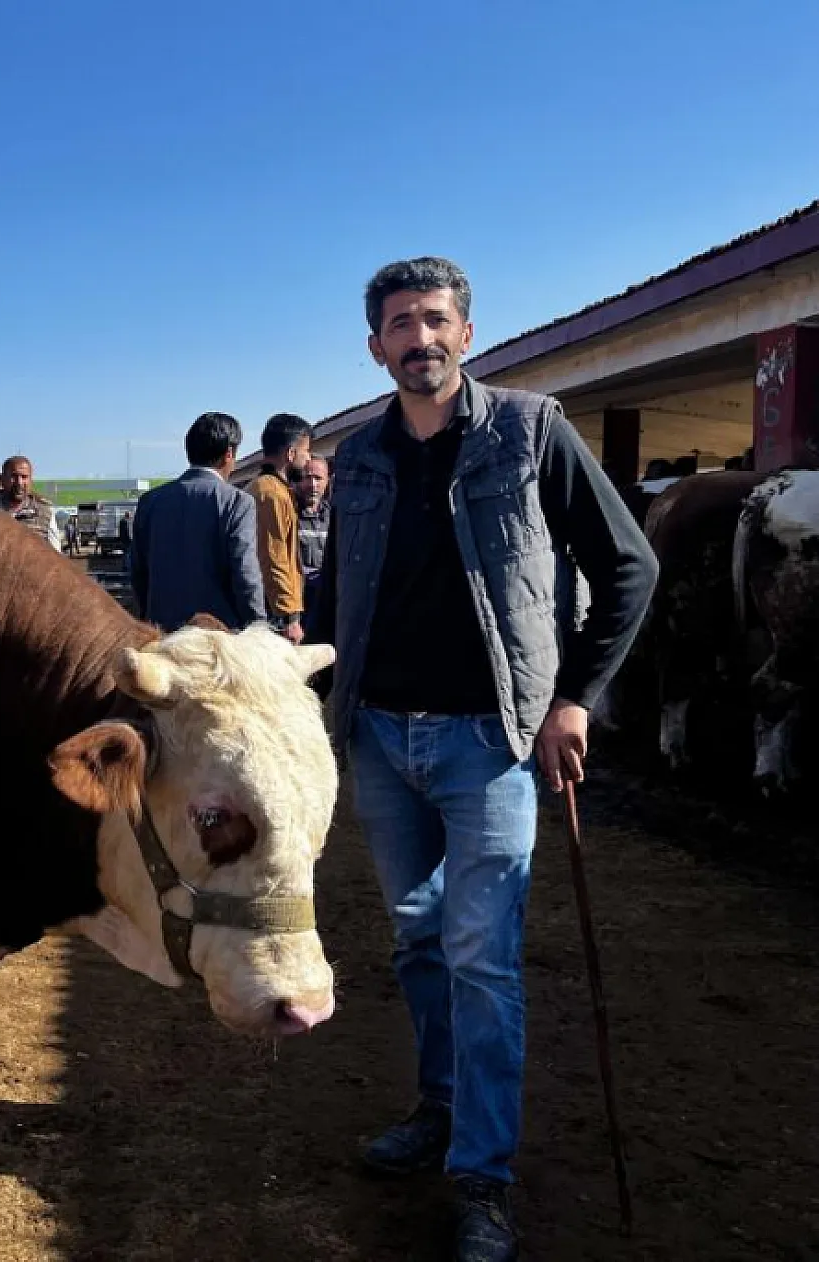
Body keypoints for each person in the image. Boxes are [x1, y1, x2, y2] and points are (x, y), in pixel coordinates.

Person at [312, 257, 657, 1261]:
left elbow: (626, 566)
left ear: (464, 332)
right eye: (396, 324)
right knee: (417, 940)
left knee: (479, 953)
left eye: (432, 319)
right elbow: (340, 593)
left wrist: (572, 698)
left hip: (490, 740)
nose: (416, 337)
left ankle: (480, 1174)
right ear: (373, 345)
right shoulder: (361, 456)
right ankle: (438, 1105)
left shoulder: (530, 430)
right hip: (380, 735)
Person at [127, 411, 266, 632]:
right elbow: (245, 574)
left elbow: (137, 572)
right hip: (218, 640)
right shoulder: (237, 503)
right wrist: (258, 628)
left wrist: (145, 617)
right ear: (228, 454)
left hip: (162, 636)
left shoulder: (150, 502)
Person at [250, 413, 313, 642]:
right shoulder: (272, 494)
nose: (308, 460)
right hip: (275, 615)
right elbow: (274, 558)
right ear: (290, 453)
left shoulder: (270, 489)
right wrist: (289, 618)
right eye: (306, 452)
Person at [0, 456, 61, 550]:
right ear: (2, 479)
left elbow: (56, 557)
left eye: (24, 477)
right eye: (14, 476)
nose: (19, 482)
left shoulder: (45, 514)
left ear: (31, 480)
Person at [296, 455, 332, 617]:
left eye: (318, 478)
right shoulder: (288, 514)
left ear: (327, 481)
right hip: (298, 610)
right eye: (307, 478)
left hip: (326, 606)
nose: (312, 485)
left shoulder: (335, 516)